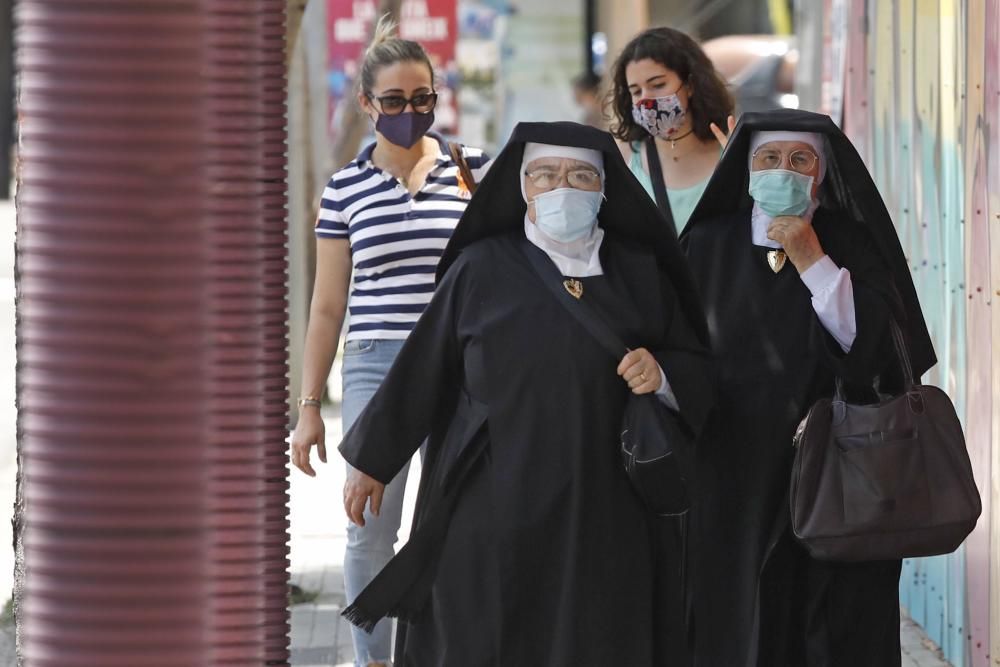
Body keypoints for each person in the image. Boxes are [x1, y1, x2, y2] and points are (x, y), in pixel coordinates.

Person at [333, 121, 714, 666]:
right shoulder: (480, 267)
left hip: (607, 504)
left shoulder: (640, 271)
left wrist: (663, 373)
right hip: (495, 497)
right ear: (522, 186)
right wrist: (372, 460)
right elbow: (424, 367)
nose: (563, 187)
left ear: (606, 189)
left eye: (581, 175)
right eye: (546, 174)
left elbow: (697, 365)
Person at [680, 109, 936, 666]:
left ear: (822, 174)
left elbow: (874, 350)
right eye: (768, 159)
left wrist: (812, 261)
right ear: (745, 171)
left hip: (837, 466)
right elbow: (678, 346)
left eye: (800, 160)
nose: (783, 171)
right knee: (735, 615)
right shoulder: (706, 242)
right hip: (732, 467)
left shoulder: (849, 240)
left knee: (832, 624)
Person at [288, 15, 489, 667]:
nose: (410, 112)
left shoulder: (471, 171)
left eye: (422, 99)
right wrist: (309, 406)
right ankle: (376, 657)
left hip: (462, 369)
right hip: (377, 368)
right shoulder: (345, 189)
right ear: (368, 103)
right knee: (369, 527)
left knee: (462, 519)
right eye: (395, 101)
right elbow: (326, 307)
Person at [609, 27, 736, 235]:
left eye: (658, 84)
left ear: (690, 84)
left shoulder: (732, 150)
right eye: (636, 91)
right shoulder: (623, 158)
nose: (645, 100)